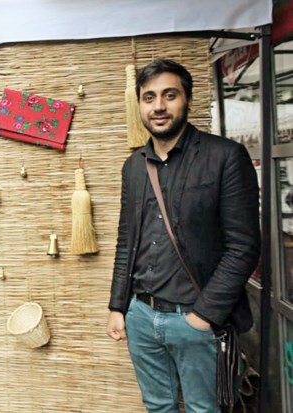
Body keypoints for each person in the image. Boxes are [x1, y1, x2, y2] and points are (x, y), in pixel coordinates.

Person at [106, 59, 260, 413]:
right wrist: (118, 306)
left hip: (194, 317)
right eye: (149, 97)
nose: (158, 106)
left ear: (186, 99)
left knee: (203, 409)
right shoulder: (133, 167)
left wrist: (203, 316)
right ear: (139, 104)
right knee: (157, 406)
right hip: (141, 315)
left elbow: (244, 247)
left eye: (169, 95)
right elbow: (127, 241)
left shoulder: (224, 157)